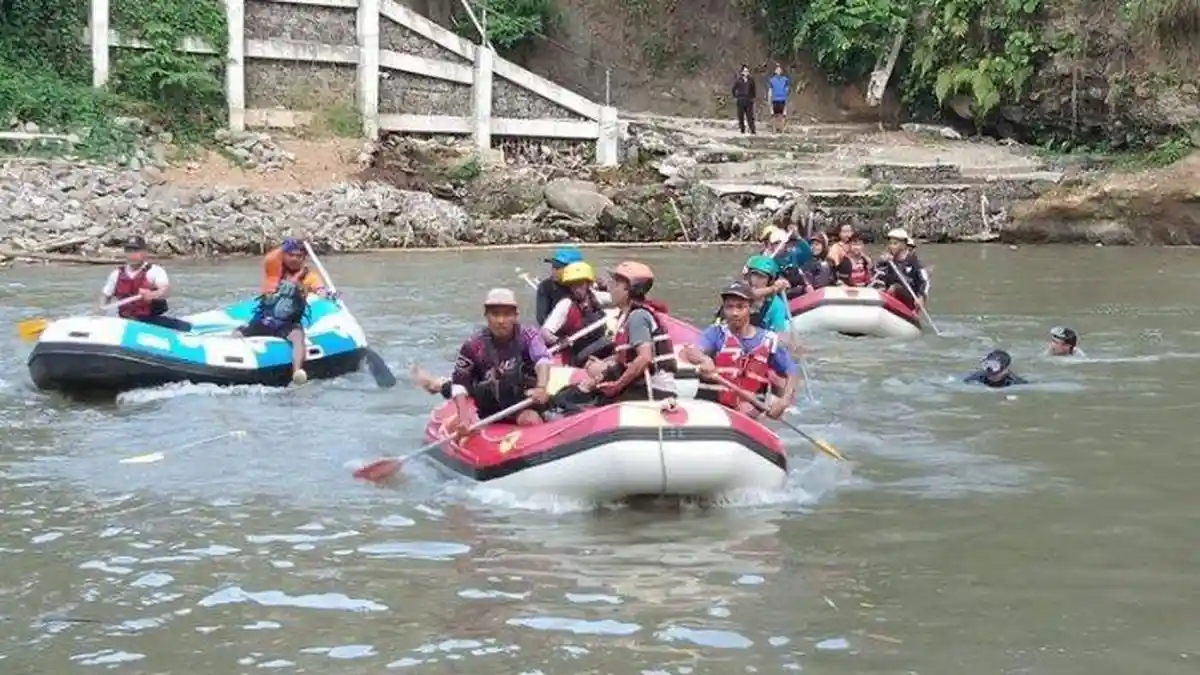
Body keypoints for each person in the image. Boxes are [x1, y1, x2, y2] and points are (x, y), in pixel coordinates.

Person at [683, 281, 796, 419]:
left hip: (748, 412)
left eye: (740, 307)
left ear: (750, 308)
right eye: (729, 307)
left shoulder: (768, 340)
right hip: (714, 408)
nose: (734, 313)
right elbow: (692, 351)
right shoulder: (715, 333)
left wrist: (784, 402)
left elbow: (791, 372)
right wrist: (704, 359)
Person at [234, 238, 333, 385]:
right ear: (284, 256)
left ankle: (297, 372)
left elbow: (319, 288)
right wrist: (289, 243)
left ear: (304, 258)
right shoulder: (274, 270)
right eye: (291, 255)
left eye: (299, 256)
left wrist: (325, 293)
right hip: (264, 320)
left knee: (298, 337)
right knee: (238, 332)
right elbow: (271, 257)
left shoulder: (308, 277)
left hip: (288, 324)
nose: (294, 259)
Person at [576, 261, 678, 404]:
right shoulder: (628, 316)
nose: (611, 288)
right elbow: (627, 358)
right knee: (577, 392)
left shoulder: (638, 317)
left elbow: (644, 358)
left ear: (629, 290)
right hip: (641, 386)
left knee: (584, 400)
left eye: (616, 284)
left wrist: (617, 386)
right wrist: (604, 364)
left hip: (654, 390)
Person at [100, 235, 191, 331]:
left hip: (151, 320)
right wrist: (100, 313)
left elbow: (165, 291)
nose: (132, 255)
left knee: (186, 328)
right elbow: (105, 295)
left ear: (144, 252)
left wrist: (152, 294)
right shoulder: (116, 274)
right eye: (129, 251)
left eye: (136, 251)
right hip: (126, 321)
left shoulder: (155, 271)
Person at [540, 261, 611, 366]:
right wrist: (558, 340)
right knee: (609, 340)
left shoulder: (596, 297)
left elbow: (616, 299)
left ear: (588, 284)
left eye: (580, 284)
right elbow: (544, 332)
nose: (576, 289)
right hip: (577, 353)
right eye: (573, 285)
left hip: (597, 347)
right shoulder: (565, 304)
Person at [872, 228, 928, 310]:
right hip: (889, 296)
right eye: (890, 243)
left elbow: (924, 281)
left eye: (895, 243)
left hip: (909, 298)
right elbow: (877, 277)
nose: (891, 246)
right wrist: (882, 264)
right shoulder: (886, 261)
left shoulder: (914, 262)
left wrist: (921, 297)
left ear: (903, 245)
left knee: (895, 288)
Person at [534, 247, 584, 324]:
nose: (554, 270)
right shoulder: (545, 287)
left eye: (558, 267)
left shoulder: (583, 285)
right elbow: (541, 318)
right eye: (553, 266)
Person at [741, 255, 791, 332]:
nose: (756, 280)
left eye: (761, 277)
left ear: (769, 281)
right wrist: (774, 288)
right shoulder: (739, 294)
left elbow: (780, 334)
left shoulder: (776, 305)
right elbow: (752, 294)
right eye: (754, 274)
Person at [963, 350, 1028, 388]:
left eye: (995, 366)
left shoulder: (1015, 382)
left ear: (1005, 370)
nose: (990, 372)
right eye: (988, 365)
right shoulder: (978, 377)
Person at [732, 64, 757, 135]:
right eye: (745, 71)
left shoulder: (751, 80)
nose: (746, 72)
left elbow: (754, 90)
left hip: (748, 100)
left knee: (750, 116)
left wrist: (752, 98)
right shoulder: (738, 80)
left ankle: (753, 130)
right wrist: (736, 96)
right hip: (740, 99)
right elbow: (733, 89)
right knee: (741, 116)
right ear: (742, 72)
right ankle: (742, 130)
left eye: (747, 71)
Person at [767, 63, 790, 133]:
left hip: (782, 99)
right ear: (775, 71)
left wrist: (786, 102)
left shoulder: (785, 80)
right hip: (775, 100)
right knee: (773, 115)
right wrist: (769, 101)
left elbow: (786, 91)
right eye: (777, 70)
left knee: (783, 115)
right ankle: (774, 129)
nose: (778, 71)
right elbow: (770, 91)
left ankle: (782, 129)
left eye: (780, 70)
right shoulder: (772, 80)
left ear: (781, 71)